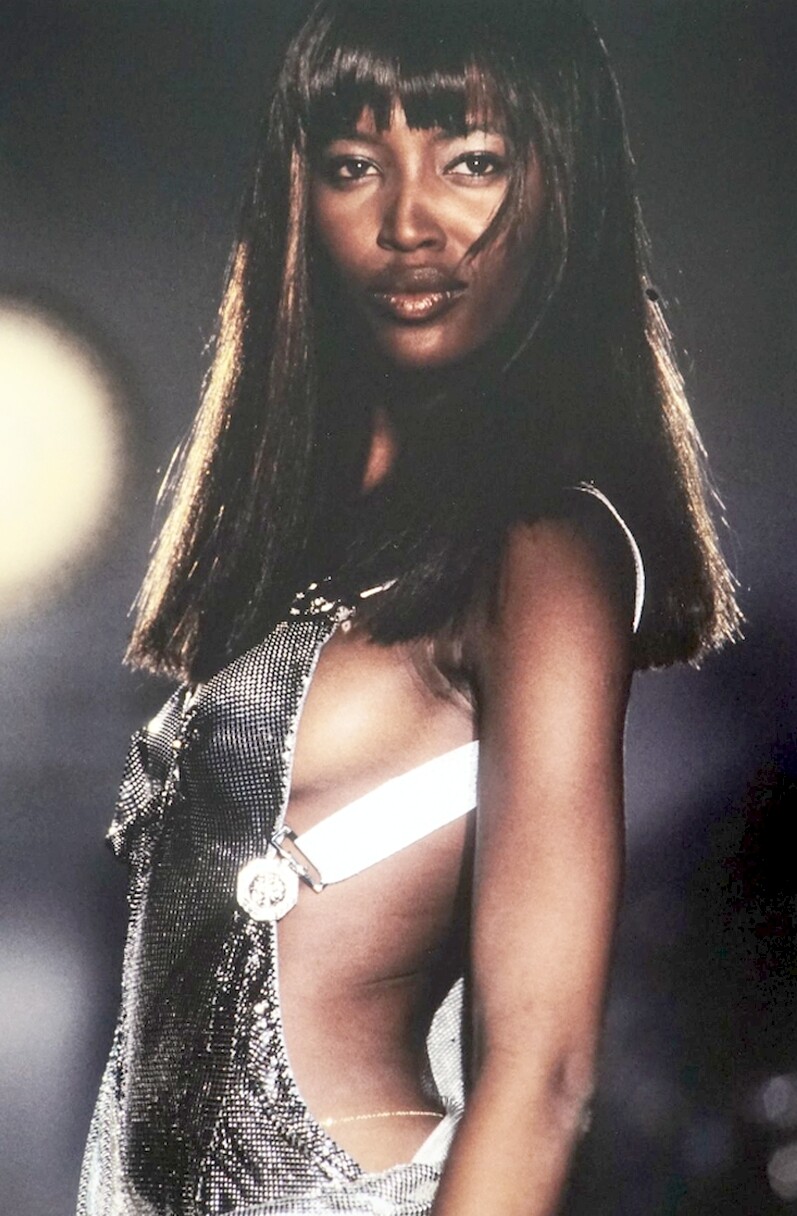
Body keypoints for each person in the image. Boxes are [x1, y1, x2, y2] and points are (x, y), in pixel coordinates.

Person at [77, 0, 740, 1213]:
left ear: (559, 187)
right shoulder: (300, 547)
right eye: (353, 165)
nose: (405, 221)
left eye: (469, 161)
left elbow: (542, 1074)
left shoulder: (541, 550)